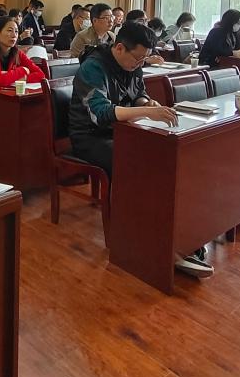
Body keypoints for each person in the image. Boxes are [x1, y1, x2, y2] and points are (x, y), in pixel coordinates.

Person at [69, 21, 212, 277]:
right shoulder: (93, 67)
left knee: (167, 157)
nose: (140, 64)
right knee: (141, 165)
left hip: (124, 131)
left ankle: (180, 238)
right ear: (119, 48)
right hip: (91, 137)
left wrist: (147, 102)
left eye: (144, 59)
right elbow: (100, 113)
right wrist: (146, 111)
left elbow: (138, 93)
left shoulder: (133, 64)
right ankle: (152, 244)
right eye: (137, 58)